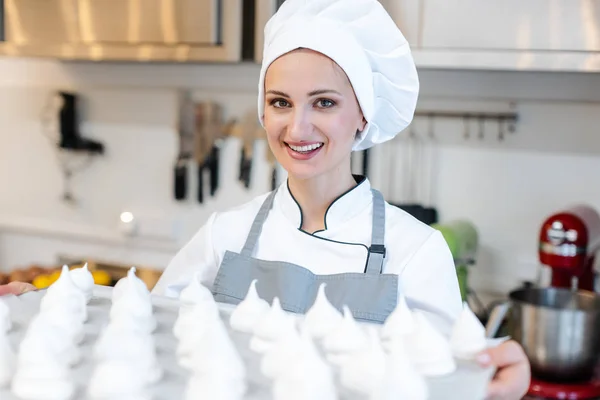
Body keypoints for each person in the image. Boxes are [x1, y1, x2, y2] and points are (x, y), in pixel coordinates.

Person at [1, 0, 530, 398]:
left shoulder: (414, 251)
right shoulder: (226, 234)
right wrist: (37, 307)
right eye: (281, 102)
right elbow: (141, 336)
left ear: (363, 115)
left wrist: (506, 367)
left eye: (324, 102)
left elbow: (461, 371)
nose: (297, 126)